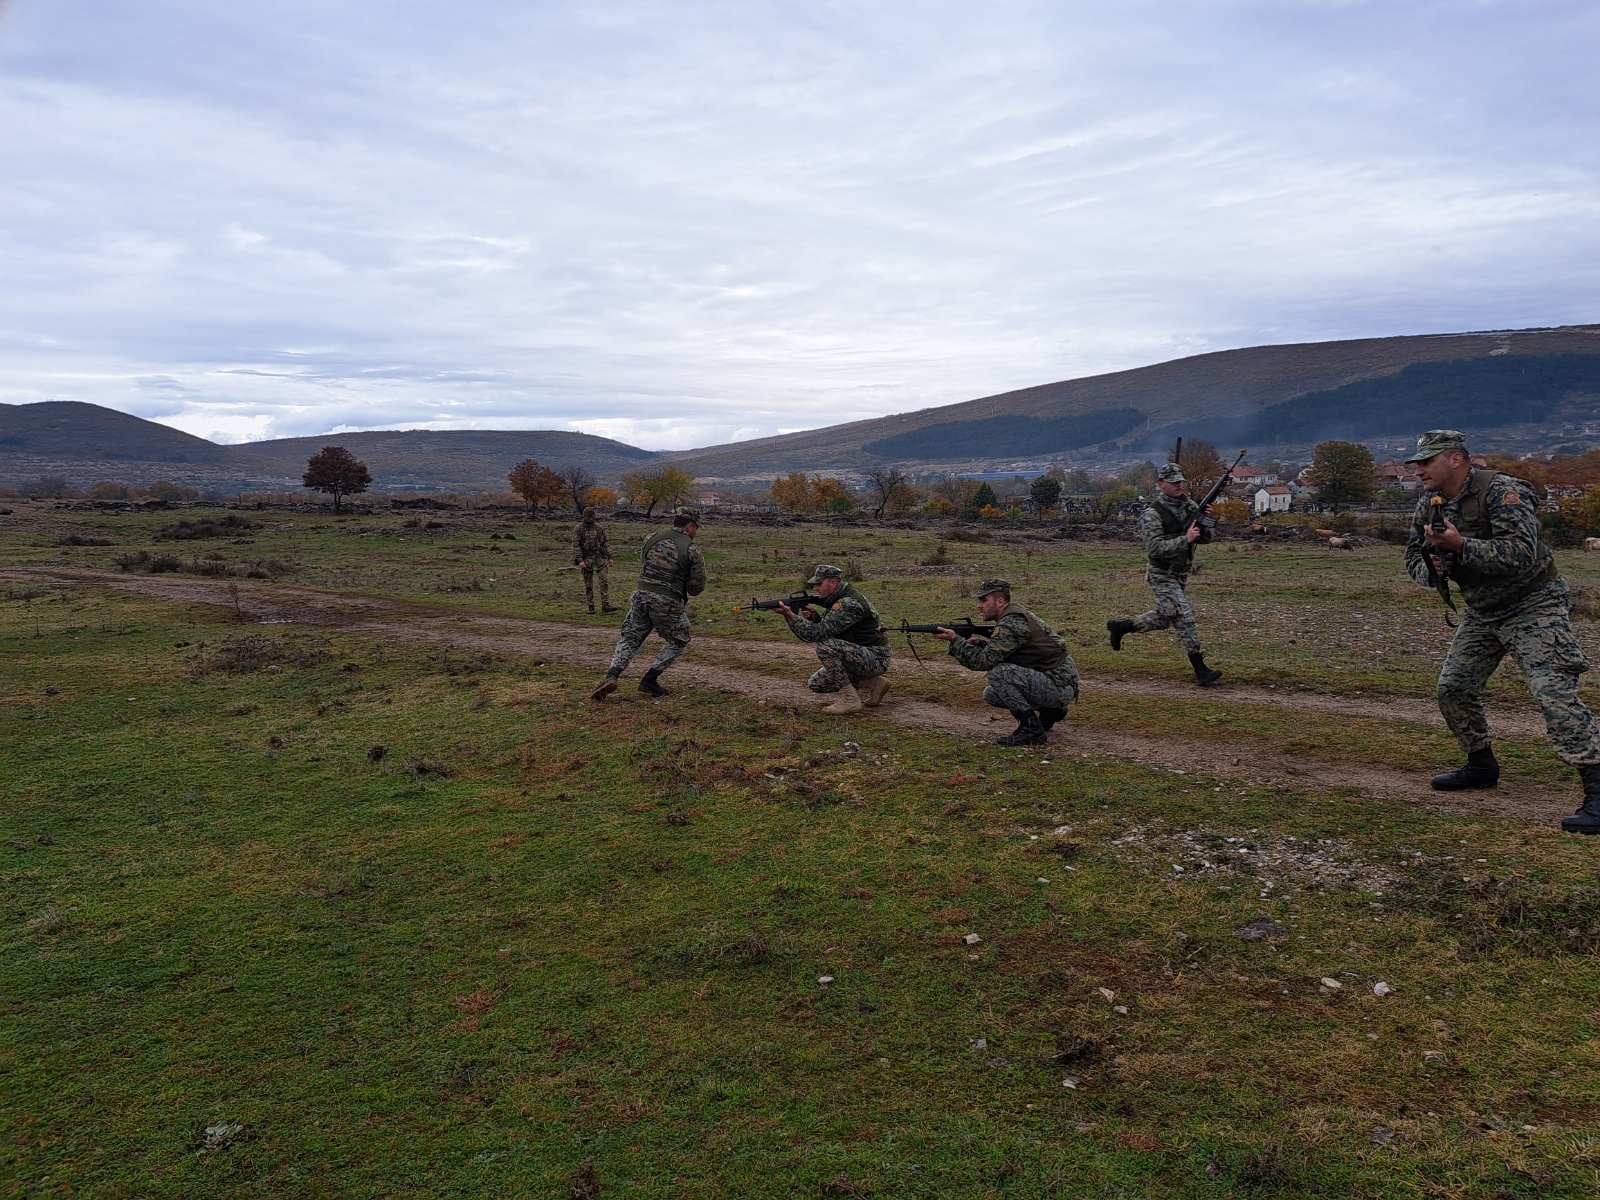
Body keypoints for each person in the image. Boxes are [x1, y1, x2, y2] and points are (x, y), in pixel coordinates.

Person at [1402, 430, 1600, 834]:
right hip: (1483, 610)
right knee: (1454, 688)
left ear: (1456, 459)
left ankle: (1598, 788)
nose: (1418, 470)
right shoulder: (1429, 503)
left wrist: (1461, 546)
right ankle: (1480, 765)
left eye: (1427, 461)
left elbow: (1521, 553)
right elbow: (1412, 553)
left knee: (1553, 694)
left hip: (1533, 605)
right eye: (1417, 463)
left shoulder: (1503, 492)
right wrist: (1433, 568)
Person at [1105, 461, 1223, 686]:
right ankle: (1201, 669)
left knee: (1165, 618)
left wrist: (1206, 523)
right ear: (1160, 484)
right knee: (1184, 615)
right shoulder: (1152, 514)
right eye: (1173, 482)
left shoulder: (1190, 506)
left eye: (1181, 481)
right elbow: (1154, 548)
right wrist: (1185, 539)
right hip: (1161, 574)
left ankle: (1122, 627)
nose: (1179, 485)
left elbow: (1205, 539)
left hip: (1181, 573)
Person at [935, 578, 1079, 745]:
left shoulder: (1010, 623)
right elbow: (1016, 651)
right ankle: (1051, 711)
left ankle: (1031, 729)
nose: (979, 606)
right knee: (992, 694)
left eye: (984, 600)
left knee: (998, 673)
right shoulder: (1015, 614)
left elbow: (983, 662)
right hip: (1059, 681)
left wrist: (956, 641)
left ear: (1000, 601)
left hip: (1059, 685)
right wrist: (983, 645)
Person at [591, 510, 705, 700]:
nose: (696, 532)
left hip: (641, 596)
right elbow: (696, 588)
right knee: (680, 639)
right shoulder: (691, 549)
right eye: (696, 528)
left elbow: (644, 564)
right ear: (690, 526)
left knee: (630, 638)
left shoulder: (651, 538)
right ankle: (650, 679)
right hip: (667, 601)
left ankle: (612, 675)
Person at [774, 564, 891, 715]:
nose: (816, 588)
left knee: (825, 646)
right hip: (861, 653)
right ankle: (874, 683)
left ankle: (850, 700)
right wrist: (815, 617)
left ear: (833, 582)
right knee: (817, 683)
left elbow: (816, 634)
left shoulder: (848, 603)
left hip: (875, 657)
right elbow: (834, 628)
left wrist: (791, 616)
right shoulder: (841, 597)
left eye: (819, 584)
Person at [573, 506, 616, 615]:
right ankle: (591, 606)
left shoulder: (599, 528)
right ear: (584, 517)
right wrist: (580, 560)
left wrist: (610, 557)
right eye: (589, 517)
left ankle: (605, 605)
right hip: (586, 559)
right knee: (588, 585)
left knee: (604, 581)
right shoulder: (578, 529)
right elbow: (576, 546)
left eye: (592, 517)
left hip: (599, 558)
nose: (591, 519)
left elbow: (604, 543)